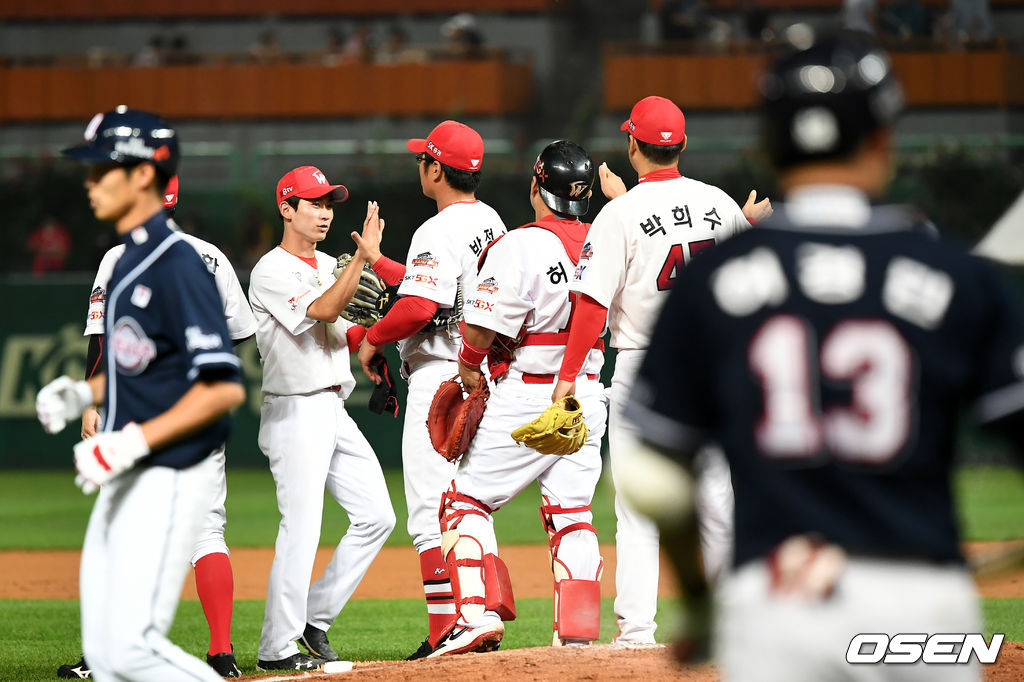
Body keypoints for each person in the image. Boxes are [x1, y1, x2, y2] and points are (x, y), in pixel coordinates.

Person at [622, 31, 1024, 680]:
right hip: (921, 606)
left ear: (770, 144)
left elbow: (657, 481)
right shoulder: (956, 277)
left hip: (774, 609)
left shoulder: (714, 282)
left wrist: (699, 604)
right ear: (882, 138)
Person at [552, 94, 772, 647]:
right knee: (720, 501)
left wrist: (567, 378)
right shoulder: (720, 204)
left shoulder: (616, 214)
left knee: (640, 508)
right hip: (714, 370)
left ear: (632, 144)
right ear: (683, 145)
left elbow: (592, 305)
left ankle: (637, 633)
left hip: (646, 369)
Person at [35, 106, 245, 681]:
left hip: (172, 469)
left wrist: (130, 444)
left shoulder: (177, 264)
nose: (90, 182)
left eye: (105, 168)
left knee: (129, 650)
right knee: (104, 656)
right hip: (137, 466)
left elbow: (222, 387)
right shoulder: (128, 260)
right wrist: (86, 393)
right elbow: (144, 365)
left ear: (145, 175)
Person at [432, 140, 608, 656]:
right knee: (573, 514)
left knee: (464, 503)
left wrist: (467, 370)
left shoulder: (519, 246)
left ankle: (475, 616)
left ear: (536, 184)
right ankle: (576, 635)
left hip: (528, 395)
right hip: (585, 397)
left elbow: (482, 333)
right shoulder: (606, 240)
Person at [354, 120, 507, 659]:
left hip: (440, 376)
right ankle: (480, 611)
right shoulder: (489, 220)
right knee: (467, 503)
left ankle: (448, 629)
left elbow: (421, 306)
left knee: (429, 511)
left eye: (424, 159)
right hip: (480, 375)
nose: (421, 165)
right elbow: (437, 285)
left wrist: (372, 338)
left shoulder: (436, 229)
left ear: (436, 168)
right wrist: (379, 263)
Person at [249, 166, 396, 671]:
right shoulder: (271, 269)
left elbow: (346, 330)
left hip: (332, 405)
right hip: (294, 409)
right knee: (302, 528)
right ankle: (276, 648)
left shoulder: (326, 264)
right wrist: (360, 258)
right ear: (286, 208)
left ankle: (313, 618)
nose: (325, 212)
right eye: (313, 203)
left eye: (330, 203)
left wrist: (373, 351)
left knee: (378, 514)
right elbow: (328, 311)